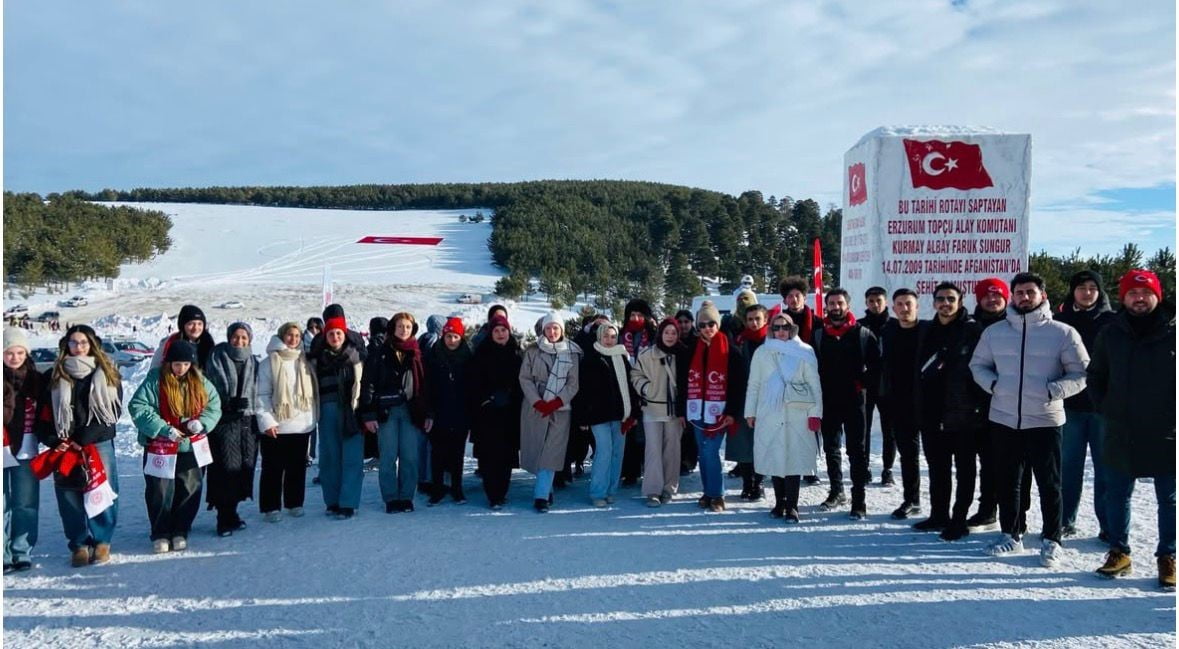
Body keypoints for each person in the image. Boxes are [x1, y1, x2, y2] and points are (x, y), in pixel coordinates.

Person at [970, 272, 1088, 567]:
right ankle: (1011, 534)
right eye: (1019, 292)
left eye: (1030, 292)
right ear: (1013, 296)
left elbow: (1081, 372)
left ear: (1042, 296)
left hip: (1045, 419)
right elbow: (978, 365)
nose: (1024, 297)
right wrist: (995, 386)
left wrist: (1054, 390)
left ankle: (1052, 539)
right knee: (1008, 481)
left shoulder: (1063, 333)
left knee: (1049, 483)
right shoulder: (995, 332)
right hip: (1004, 418)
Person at [1088, 270, 1175, 588]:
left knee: (1169, 499)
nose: (1139, 298)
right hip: (1120, 428)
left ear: (1157, 295)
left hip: (1166, 430)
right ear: (1123, 298)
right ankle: (1118, 551)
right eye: (1132, 293)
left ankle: (1168, 557)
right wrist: (1106, 409)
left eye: (1145, 292)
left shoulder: (1173, 331)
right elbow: (1095, 375)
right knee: (1117, 495)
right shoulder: (1110, 333)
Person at [37, 325, 122, 567]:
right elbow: (45, 413)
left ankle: (102, 540)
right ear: (66, 345)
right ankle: (78, 543)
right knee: (68, 493)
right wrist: (54, 439)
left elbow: (112, 413)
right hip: (63, 443)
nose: (79, 347)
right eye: (74, 342)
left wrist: (84, 437)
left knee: (101, 490)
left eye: (83, 342)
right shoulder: (54, 375)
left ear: (92, 344)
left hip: (98, 440)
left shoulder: (108, 373)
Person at [129, 341, 222, 553]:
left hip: (189, 446)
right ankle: (161, 531)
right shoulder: (155, 380)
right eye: (177, 364)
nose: (181, 368)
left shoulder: (200, 382)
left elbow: (214, 405)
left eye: (186, 364)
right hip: (160, 445)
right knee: (159, 490)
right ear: (169, 362)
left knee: (189, 488)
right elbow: (138, 406)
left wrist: (202, 423)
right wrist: (162, 428)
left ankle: (181, 528)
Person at [913, 283, 988, 541]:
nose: (945, 303)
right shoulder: (926, 330)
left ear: (960, 301)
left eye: (951, 299)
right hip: (932, 412)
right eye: (941, 299)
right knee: (938, 467)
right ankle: (939, 515)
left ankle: (958, 520)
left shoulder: (972, 330)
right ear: (933, 302)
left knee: (965, 470)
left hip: (964, 412)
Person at [1053, 270, 1116, 540]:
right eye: (1082, 287)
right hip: (1070, 406)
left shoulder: (1113, 321)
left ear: (1100, 292)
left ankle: (1107, 524)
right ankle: (1065, 519)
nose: (1087, 292)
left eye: (1093, 287)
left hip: (1104, 408)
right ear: (1073, 290)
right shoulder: (1060, 321)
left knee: (1106, 470)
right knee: (1068, 467)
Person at [745, 313, 822, 523]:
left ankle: (793, 506)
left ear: (792, 329)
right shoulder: (762, 352)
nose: (781, 331)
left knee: (794, 459)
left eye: (785, 327)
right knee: (775, 457)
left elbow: (815, 385)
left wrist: (816, 414)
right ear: (770, 329)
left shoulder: (805, 351)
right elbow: (754, 384)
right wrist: (750, 412)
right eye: (777, 327)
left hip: (797, 412)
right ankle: (779, 503)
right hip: (769, 412)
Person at [812, 288, 880, 519]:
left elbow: (877, 366)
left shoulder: (862, 334)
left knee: (856, 450)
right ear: (827, 307)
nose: (835, 307)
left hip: (855, 401)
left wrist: (862, 383)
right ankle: (836, 491)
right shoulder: (820, 335)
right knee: (831, 448)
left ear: (848, 306)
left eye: (840, 303)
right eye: (831, 303)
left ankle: (858, 499)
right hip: (828, 400)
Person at [677, 300, 747, 513]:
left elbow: (739, 385)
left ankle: (717, 494)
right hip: (696, 409)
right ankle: (708, 493)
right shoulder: (691, 350)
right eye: (703, 325)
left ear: (717, 324)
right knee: (702, 452)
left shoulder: (731, 351)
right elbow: (682, 382)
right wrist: (682, 411)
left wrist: (732, 413)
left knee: (710, 451)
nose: (707, 329)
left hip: (720, 412)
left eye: (711, 324)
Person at [361, 312, 429, 513]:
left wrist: (429, 413)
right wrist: (368, 414)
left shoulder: (417, 353)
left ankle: (407, 497)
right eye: (400, 326)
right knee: (388, 456)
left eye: (408, 327)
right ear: (393, 328)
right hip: (386, 411)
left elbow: (426, 386)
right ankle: (391, 498)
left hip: (411, 411)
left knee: (410, 456)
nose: (404, 330)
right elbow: (369, 384)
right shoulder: (381, 352)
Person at [519, 312, 582, 512]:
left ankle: (541, 496)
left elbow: (573, 383)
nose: (552, 332)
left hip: (560, 409)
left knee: (551, 452)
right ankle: (545, 488)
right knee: (538, 448)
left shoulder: (571, 352)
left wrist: (556, 402)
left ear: (561, 330)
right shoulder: (533, 351)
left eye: (556, 328)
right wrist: (537, 402)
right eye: (548, 328)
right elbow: (525, 378)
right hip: (535, 407)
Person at [255, 322, 318, 522]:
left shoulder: (304, 360)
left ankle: (294, 502)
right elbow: (261, 394)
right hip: (277, 425)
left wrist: (312, 418)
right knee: (273, 468)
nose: (293, 339)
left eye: (297, 336)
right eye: (290, 335)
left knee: (297, 467)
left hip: (301, 424)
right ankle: (270, 507)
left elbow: (312, 393)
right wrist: (267, 421)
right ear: (282, 336)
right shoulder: (269, 362)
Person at [575, 321, 640, 507]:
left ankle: (611, 490)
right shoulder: (591, 358)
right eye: (606, 336)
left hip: (621, 415)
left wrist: (633, 412)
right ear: (599, 337)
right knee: (604, 452)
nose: (610, 340)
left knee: (617, 453)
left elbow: (630, 387)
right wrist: (582, 417)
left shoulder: (622, 357)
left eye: (613, 336)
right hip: (598, 416)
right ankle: (598, 492)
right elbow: (583, 391)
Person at [203, 323, 259, 536]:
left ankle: (233, 513)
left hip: (247, 422)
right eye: (236, 337)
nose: (240, 341)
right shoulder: (217, 358)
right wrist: (227, 403)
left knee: (243, 468)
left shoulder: (254, 361)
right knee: (225, 469)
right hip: (223, 422)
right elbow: (207, 390)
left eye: (244, 337)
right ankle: (223, 517)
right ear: (229, 338)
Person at [309, 315, 364, 519]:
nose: (335, 337)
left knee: (352, 457)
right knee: (329, 457)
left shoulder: (356, 356)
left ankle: (348, 502)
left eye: (338, 333)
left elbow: (363, 385)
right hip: (326, 409)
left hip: (351, 410)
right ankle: (332, 501)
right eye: (331, 333)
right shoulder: (317, 358)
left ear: (345, 334)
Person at [467, 315, 523, 509]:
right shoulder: (481, 353)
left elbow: (522, 383)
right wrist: (487, 399)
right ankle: (493, 494)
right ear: (491, 333)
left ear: (509, 332)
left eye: (503, 330)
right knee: (490, 456)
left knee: (506, 455)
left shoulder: (517, 354)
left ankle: (503, 491)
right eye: (496, 331)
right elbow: (473, 383)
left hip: (510, 413)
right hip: (487, 413)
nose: (500, 334)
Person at [879, 289, 924, 520]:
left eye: (909, 304)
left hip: (928, 402)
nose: (905, 308)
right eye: (900, 304)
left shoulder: (928, 330)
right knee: (909, 455)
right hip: (900, 402)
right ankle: (911, 499)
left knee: (939, 458)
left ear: (917, 306)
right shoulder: (889, 331)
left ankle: (941, 504)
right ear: (894, 308)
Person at [631, 318, 686, 507]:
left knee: (672, 450)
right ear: (660, 333)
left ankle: (669, 488)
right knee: (653, 450)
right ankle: (652, 490)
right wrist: (646, 388)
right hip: (653, 409)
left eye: (674, 333)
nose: (670, 336)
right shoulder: (647, 355)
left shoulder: (684, 354)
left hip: (674, 411)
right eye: (667, 332)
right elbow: (636, 374)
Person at [4, 328, 46, 572]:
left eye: (20, 352)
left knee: (25, 503)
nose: (15, 357)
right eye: (9, 352)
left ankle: (21, 550)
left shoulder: (35, 380)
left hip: (26, 450)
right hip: (3, 447)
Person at [425, 317, 473, 505]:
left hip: (460, 412)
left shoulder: (468, 357)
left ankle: (457, 488)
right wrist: (429, 411)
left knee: (457, 453)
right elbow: (427, 386)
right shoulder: (434, 355)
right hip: (439, 411)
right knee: (437, 452)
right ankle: (437, 489)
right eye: (448, 336)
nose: (452, 340)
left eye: (455, 336)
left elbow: (473, 387)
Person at [731, 303, 769, 501]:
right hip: (743, 400)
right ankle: (747, 483)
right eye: (750, 319)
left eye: (758, 319)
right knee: (744, 444)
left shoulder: (772, 343)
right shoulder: (739, 342)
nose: (754, 323)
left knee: (762, 444)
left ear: (765, 320)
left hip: (767, 401)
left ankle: (759, 483)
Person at [619, 299, 656, 487]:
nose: (635, 319)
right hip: (625, 389)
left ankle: (646, 468)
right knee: (630, 432)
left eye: (640, 315)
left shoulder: (653, 335)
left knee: (646, 433)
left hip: (649, 390)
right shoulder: (620, 335)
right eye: (632, 315)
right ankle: (630, 471)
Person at [861, 286, 895, 485]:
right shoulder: (859, 326)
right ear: (866, 303)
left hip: (889, 386)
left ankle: (887, 469)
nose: (875, 304)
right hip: (865, 385)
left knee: (889, 430)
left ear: (886, 302)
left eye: (878, 301)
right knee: (862, 429)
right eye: (871, 301)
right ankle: (863, 467)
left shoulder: (895, 326)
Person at [674, 309, 699, 476]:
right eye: (680, 322)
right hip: (676, 387)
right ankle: (679, 460)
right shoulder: (671, 340)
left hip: (695, 387)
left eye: (686, 322)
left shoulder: (698, 341)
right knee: (679, 427)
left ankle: (689, 460)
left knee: (692, 428)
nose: (683, 325)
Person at [151, 304, 215, 369]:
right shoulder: (171, 342)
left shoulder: (208, 343)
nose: (196, 328)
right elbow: (156, 367)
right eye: (191, 324)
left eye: (199, 324)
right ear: (182, 325)